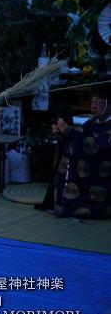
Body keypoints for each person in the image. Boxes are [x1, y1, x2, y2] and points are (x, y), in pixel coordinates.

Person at [49, 85, 111, 219]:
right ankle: (63, 204)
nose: (93, 105)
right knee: (68, 160)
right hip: (84, 169)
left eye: (97, 102)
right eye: (92, 101)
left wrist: (69, 132)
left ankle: (80, 207)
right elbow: (78, 138)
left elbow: (100, 146)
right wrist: (62, 135)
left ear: (108, 103)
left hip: (102, 172)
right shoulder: (91, 122)